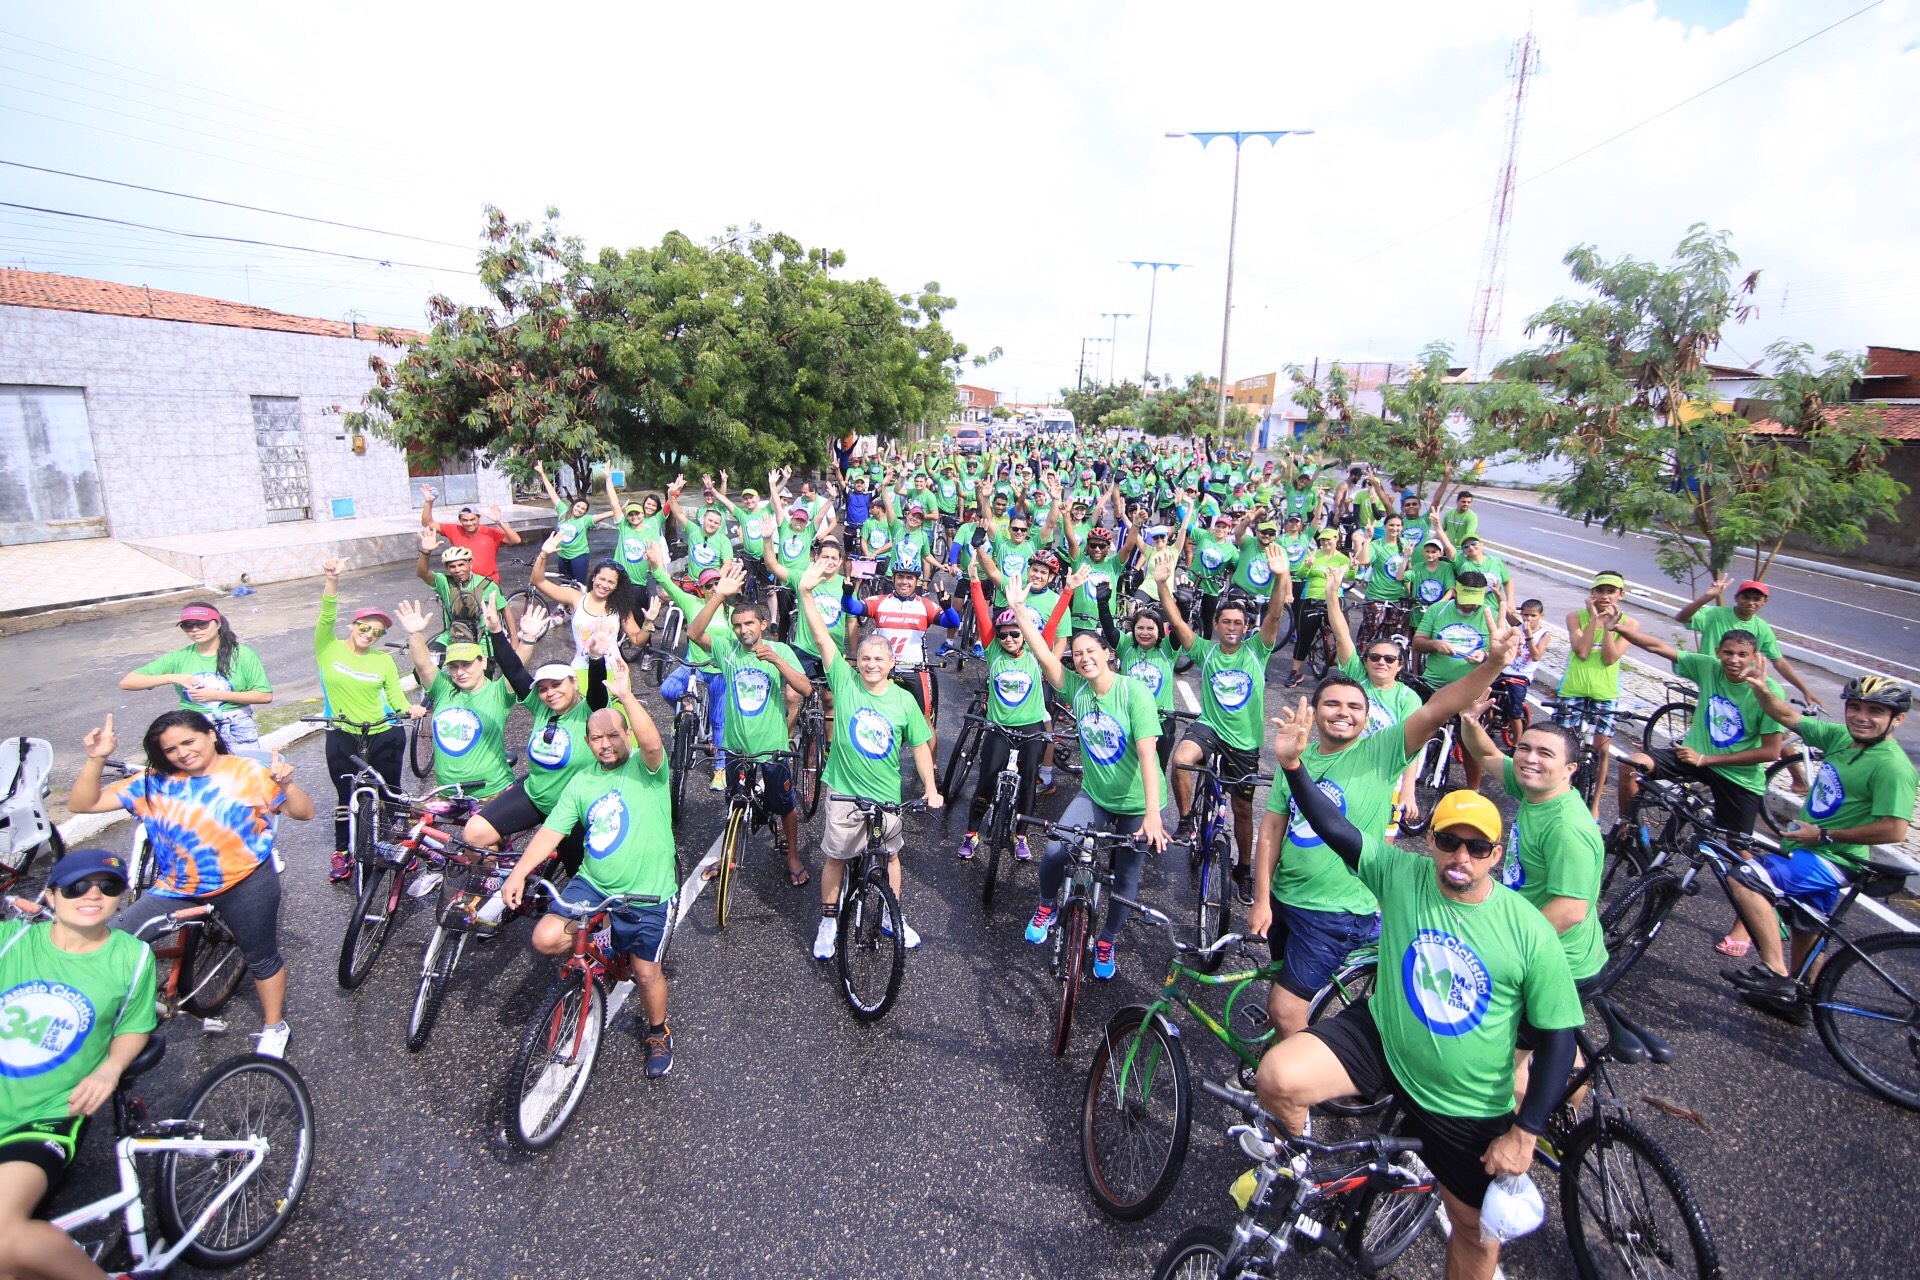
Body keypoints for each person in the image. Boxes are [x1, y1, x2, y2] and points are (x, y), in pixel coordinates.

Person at [1259, 701, 1579, 1280]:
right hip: (1384, 1040)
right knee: (1278, 1078)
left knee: (1477, 1238)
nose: (1461, 857)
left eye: (1477, 848)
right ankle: (1300, 1175)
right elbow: (1334, 828)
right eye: (1449, 841)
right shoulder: (1401, 874)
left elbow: (1559, 1039)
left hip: (1464, 1102)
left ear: (1496, 855)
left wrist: (1525, 1132)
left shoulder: (1529, 930)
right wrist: (1293, 766)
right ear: (1429, 840)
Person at [1250, 591, 1517, 1038]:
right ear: (1313, 712)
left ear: (1368, 716)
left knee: (1284, 1010)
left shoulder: (1382, 751)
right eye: (1332, 704)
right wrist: (1261, 897)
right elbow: (1272, 830)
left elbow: (1440, 706)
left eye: (1355, 707)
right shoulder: (1294, 755)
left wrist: (1492, 664)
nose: (1344, 713)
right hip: (1286, 898)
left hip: (1336, 910)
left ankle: (1291, 1096)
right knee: (1285, 990)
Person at [66, 709, 313, 1060]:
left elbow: (303, 813)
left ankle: (275, 1026)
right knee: (106, 942)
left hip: (246, 882)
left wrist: (286, 785)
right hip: (177, 888)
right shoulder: (152, 782)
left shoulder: (247, 773)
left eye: (188, 741)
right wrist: (96, 759)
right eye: (170, 749)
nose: (182, 753)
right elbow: (82, 803)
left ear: (210, 734)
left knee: (260, 957)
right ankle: (124, 1015)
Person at [500, 654, 679, 1078]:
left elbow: (652, 743)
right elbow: (550, 834)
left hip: (647, 892)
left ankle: (658, 1031)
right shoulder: (581, 783)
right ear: (587, 742)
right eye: (596, 738)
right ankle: (601, 944)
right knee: (545, 938)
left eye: (614, 735)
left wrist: (626, 696)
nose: (605, 744)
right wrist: (519, 871)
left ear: (626, 737)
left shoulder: (647, 769)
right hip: (593, 884)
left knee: (644, 972)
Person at [1720, 676, 1916, 1024]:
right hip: (1814, 851)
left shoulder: (1893, 767)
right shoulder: (1842, 738)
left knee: (1745, 878)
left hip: (1832, 858)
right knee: (1804, 924)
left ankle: (1776, 974)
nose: (1861, 717)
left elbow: (1895, 828)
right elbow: (1788, 717)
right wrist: (1764, 692)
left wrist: (1825, 834)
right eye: (1854, 707)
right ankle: (1797, 1002)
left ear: (1897, 719)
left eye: (1875, 711)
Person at [0, 849, 156, 1280]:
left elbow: (134, 1024)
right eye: (76, 886)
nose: (93, 895)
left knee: (3, 1238)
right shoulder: (10, 940)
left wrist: (109, 1068)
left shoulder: (133, 956)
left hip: (46, 1115)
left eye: (108, 886)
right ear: (51, 896)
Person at [1008, 570, 1169, 980]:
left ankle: (1107, 940)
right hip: (1095, 795)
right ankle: (1046, 905)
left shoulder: (1134, 693)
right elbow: (1044, 653)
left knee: (1126, 878)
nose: (1082, 657)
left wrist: (1152, 814)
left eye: (1089, 650)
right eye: (1077, 653)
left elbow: (1149, 755)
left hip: (1136, 803)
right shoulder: (1076, 690)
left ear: (1108, 654)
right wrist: (1017, 610)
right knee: (1055, 850)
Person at [794, 559, 942, 960]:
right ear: (856, 662)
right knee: (836, 857)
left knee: (891, 856)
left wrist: (930, 789)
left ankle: (892, 917)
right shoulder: (843, 682)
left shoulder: (904, 700)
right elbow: (823, 639)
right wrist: (806, 592)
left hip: (886, 796)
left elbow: (920, 748)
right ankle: (828, 922)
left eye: (879, 659)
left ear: (891, 664)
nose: (871, 664)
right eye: (865, 659)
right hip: (844, 791)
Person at [1155, 542, 1292, 904]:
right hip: (1210, 728)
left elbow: (1275, 617)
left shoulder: (1256, 650)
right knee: (1182, 760)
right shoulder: (1205, 649)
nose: (1232, 627)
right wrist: (1162, 584)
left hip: (1244, 741)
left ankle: (1242, 871)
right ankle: (1186, 820)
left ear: (1246, 628)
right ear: (1215, 625)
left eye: (1238, 623)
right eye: (1226, 622)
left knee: (1243, 809)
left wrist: (1281, 577)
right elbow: (1177, 621)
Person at [1457, 712, 1610, 1006]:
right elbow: (1486, 752)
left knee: (1511, 1045)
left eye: (1545, 753)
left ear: (1569, 769)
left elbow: (1570, 909)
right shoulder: (1537, 790)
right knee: (1549, 1043)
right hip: (1535, 937)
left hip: (1559, 962)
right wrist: (1471, 721)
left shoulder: (1567, 828)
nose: (1529, 758)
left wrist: (1502, 945)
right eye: (1524, 748)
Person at [685, 560, 814, 886]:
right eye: (738, 625)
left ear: (764, 624)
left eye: (750, 624)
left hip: (771, 748)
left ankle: (793, 855)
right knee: (734, 802)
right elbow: (693, 633)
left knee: (784, 806)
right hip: (735, 747)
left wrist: (777, 661)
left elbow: (805, 688)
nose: (744, 630)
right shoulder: (727, 650)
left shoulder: (779, 649)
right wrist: (719, 597)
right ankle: (727, 856)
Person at [955, 549, 1072, 863]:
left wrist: (1068, 592)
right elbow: (981, 613)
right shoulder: (993, 652)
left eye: (1015, 634)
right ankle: (971, 833)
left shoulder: (1036, 653)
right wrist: (975, 581)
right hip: (999, 728)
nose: (1008, 638)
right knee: (986, 780)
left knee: (1029, 785)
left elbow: (1054, 625)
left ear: (1026, 636)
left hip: (1032, 729)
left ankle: (1021, 836)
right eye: (1003, 634)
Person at [462, 636, 611, 873]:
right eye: (543, 689)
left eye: (557, 685)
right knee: (474, 833)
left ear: (574, 682)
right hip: (535, 795)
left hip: (572, 812)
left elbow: (597, 693)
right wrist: (495, 631)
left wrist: (596, 659)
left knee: (580, 878)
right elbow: (514, 670)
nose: (550, 693)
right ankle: (491, 892)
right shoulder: (541, 707)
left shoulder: (591, 711)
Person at [313, 557, 410, 883]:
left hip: (384, 732)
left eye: (377, 631)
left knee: (390, 792)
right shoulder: (328, 648)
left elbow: (394, 695)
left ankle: (398, 844)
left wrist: (409, 709)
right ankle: (342, 852)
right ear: (352, 626)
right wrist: (332, 579)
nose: (370, 634)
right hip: (342, 733)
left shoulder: (382, 661)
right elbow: (327, 614)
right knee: (345, 795)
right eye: (365, 627)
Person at [1678, 575, 1824, 786]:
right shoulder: (1716, 614)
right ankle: (1796, 779)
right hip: (1717, 680)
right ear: (1736, 598)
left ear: (1765, 602)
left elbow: (1779, 661)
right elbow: (1682, 617)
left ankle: (1797, 779)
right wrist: (1706, 597)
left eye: (1757, 599)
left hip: (1746, 686)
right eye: (1746, 597)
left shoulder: (1762, 628)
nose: (1751, 603)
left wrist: (1804, 689)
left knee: (1773, 727)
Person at [394, 598, 538, 801]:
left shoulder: (498, 692)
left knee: (477, 833)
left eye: (467, 664)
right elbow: (423, 665)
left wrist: (529, 637)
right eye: (454, 666)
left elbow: (517, 667)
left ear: (483, 662)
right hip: (446, 792)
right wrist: (414, 634)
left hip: (492, 791)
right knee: (412, 829)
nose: (460, 672)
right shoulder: (443, 689)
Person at [1318, 564, 1423, 829]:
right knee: (1337, 832)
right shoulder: (1356, 677)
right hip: (1347, 766)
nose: (1382, 663)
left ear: (1400, 666)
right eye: (1374, 657)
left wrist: (1408, 791)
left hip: (1387, 776)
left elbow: (1411, 748)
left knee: (1382, 841)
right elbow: (1342, 634)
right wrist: (1332, 593)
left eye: (1390, 659)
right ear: (1365, 662)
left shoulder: (1407, 699)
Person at [119, 604, 273, 752]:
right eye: (188, 626)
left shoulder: (242, 654)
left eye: (202, 624)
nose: (195, 630)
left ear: (218, 623)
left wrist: (216, 695)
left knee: (244, 773)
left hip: (236, 724)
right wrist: (172, 677)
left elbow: (264, 695)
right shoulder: (179, 657)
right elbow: (128, 682)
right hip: (193, 727)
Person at [1554, 572, 1633, 818]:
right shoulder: (1575, 616)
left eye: (1611, 591)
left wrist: (1609, 627)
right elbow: (1582, 651)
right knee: (1562, 746)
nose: (1605, 596)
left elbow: (1610, 658)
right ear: (1592, 593)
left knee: (1602, 750)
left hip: (1605, 693)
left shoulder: (1629, 624)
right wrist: (1593, 620)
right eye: (1600, 591)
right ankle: (1557, 794)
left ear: (1621, 595)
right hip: (1573, 689)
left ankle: (1595, 804)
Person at [1410, 568, 1498, 788]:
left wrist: (1484, 655)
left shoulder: (1491, 615)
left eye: (1475, 600)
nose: (1470, 605)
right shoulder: (1438, 610)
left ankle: (1473, 790)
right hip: (1433, 684)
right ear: (1456, 592)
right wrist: (1435, 644)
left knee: (1470, 742)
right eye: (1466, 599)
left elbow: (1500, 652)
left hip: (1469, 690)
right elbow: (1417, 642)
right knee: (1413, 731)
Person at [529, 534, 645, 676]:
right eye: (602, 579)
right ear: (594, 577)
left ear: (616, 586)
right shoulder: (575, 598)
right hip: (581, 671)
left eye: (611, 582)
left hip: (614, 672)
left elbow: (637, 640)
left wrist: (649, 623)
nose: (604, 585)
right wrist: (544, 554)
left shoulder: (619, 607)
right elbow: (538, 581)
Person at [414, 529, 509, 658]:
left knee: (481, 674)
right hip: (452, 635)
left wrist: (514, 639)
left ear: (470, 563)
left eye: (461, 565)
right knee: (427, 666)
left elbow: (505, 610)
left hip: (481, 639)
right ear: (448, 568)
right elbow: (422, 573)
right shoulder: (445, 582)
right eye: (452, 566)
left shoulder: (488, 584)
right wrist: (426, 552)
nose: (457, 570)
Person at [1283, 528, 1350, 687]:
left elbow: (1351, 576)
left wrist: (1353, 566)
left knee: (1342, 636)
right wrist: (1307, 565)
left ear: (1336, 539)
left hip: (1333, 599)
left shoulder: (1342, 558)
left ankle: (1346, 673)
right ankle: (1295, 672)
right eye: (1322, 540)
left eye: (1329, 539)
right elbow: (1300, 574)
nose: (1326, 542)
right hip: (1311, 599)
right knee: (1304, 637)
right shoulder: (1313, 555)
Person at [420, 490, 520, 582]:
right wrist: (429, 502)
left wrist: (499, 521)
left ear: (478, 519)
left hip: (488, 582)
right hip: (464, 582)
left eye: (472, 519)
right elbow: (427, 523)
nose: (469, 523)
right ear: (460, 520)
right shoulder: (454, 530)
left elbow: (516, 540)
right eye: (465, 520)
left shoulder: (490, 532)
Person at [1494, 599, 1550, 743]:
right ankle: (1488, 727)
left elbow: (1536, 656)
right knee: (1486, 697)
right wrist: (1497, 592)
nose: (1528, 619)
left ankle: (1517, 744)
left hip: (1521, 676)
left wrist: (1528, 635)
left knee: (1514, 712)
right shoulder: (1517, 626)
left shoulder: (1543, 634)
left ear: (1541, 616)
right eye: (1525, 615)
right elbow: (1505, 611)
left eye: (1533, 616)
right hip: (1504, 670)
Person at [535, 458, 598, 583]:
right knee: (564, 583)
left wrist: (618, 510)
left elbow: (604, 515)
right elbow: (552, 493)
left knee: (579, 584)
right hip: (562, 555)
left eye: (583, 509)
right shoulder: (563, 512)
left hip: (579, 556)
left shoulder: (585, 520)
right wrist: (542, 473)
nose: (579, 510)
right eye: (578, 506)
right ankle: (565, 603)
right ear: (573, 505)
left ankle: (580, 602)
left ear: (585, 512)